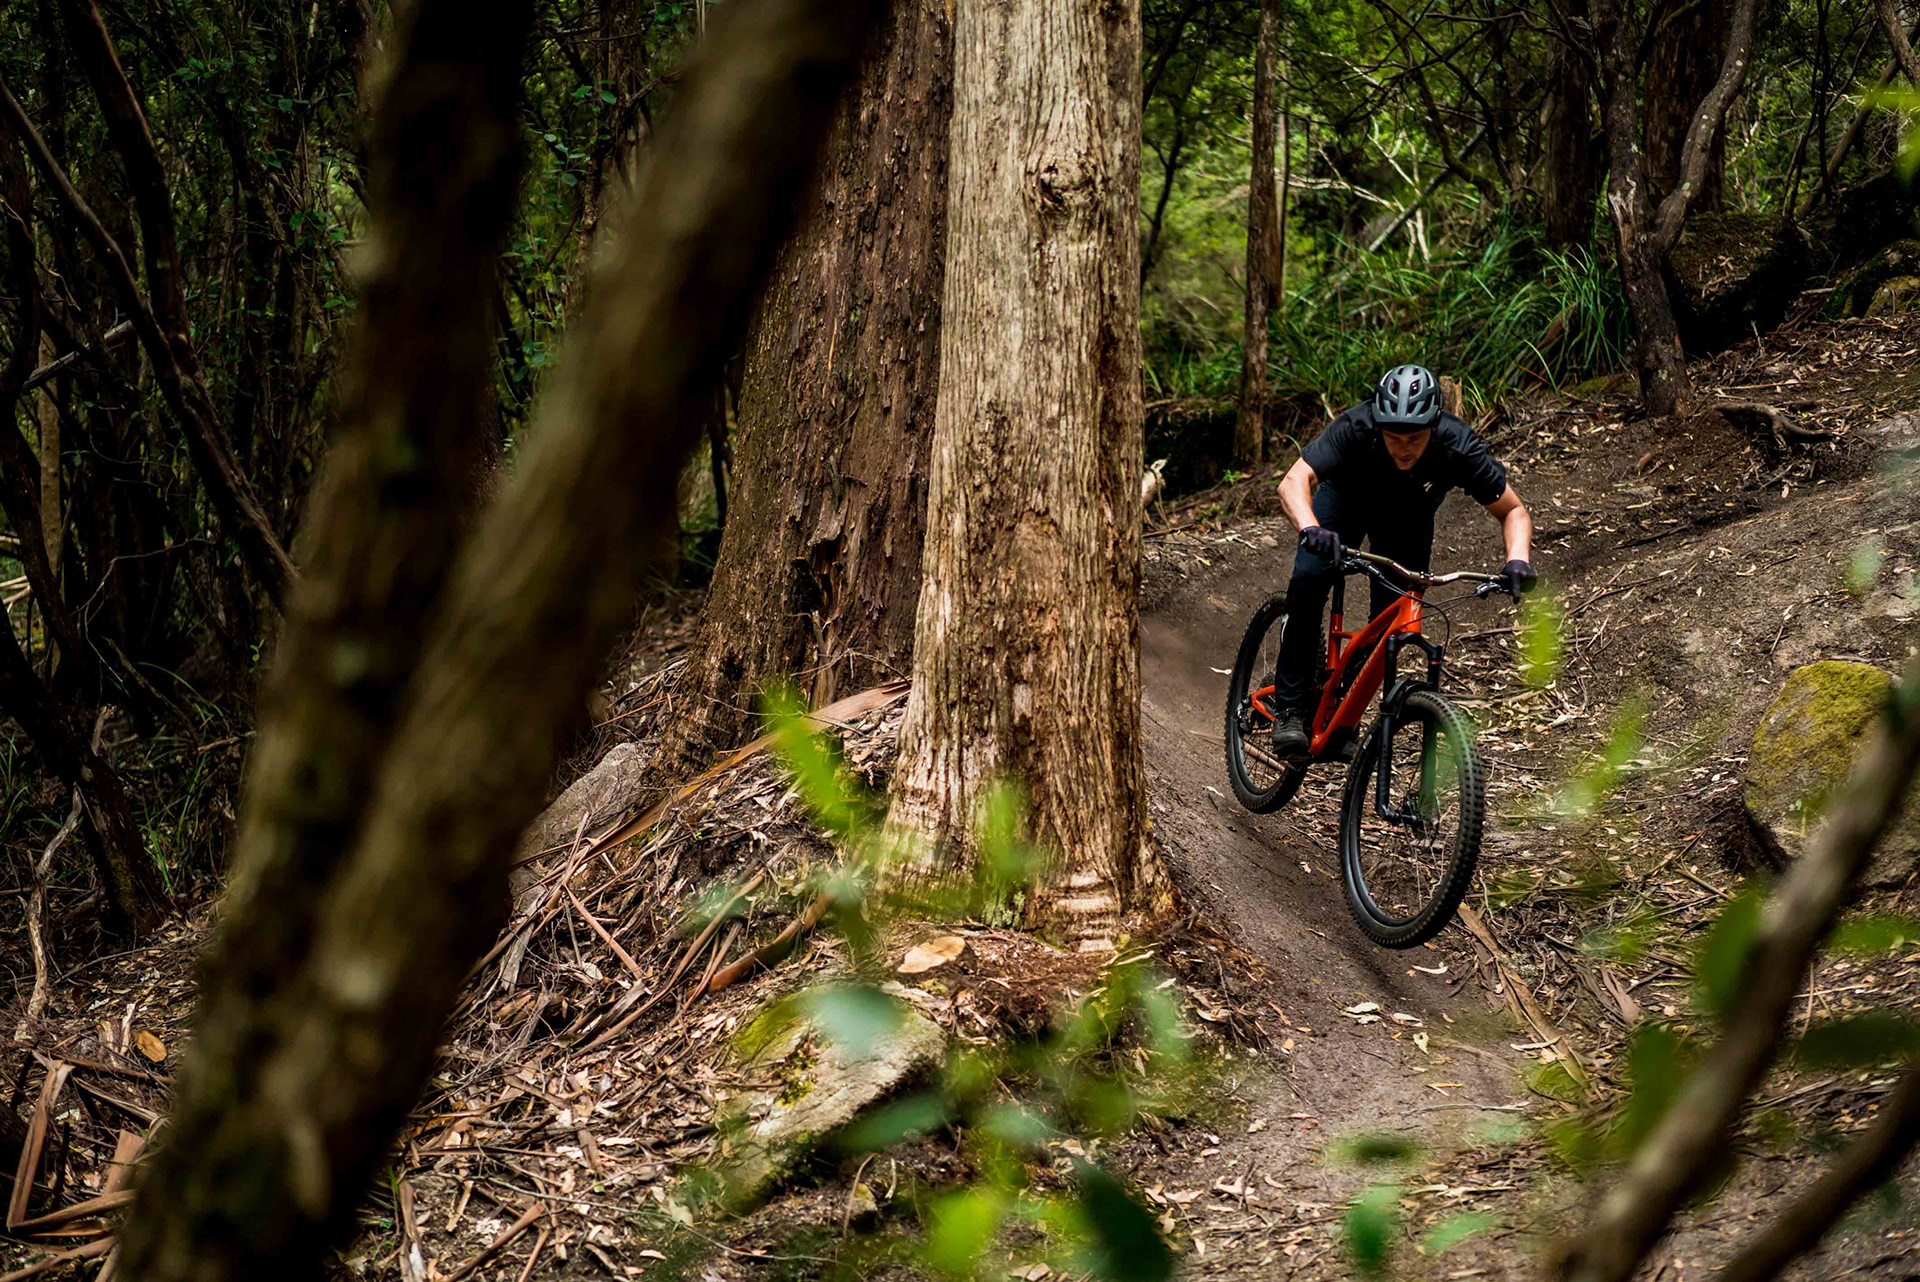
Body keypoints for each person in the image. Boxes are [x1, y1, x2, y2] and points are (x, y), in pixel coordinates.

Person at [1269, 364, 1536, 757]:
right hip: (1344, 502)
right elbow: (1293, 481)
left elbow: (1514, 511)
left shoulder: (1457, 445)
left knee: (1394, 619)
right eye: (1393, 437)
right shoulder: (1357, 426)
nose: (1404, 447)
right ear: (1378, 424)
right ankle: (1290, 708)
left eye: (1415, 438)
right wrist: (1311, 528)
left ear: (1435, 426)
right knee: (1310, 577)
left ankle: (1341, 711)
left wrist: (1517, 560)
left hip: (1408, 520)